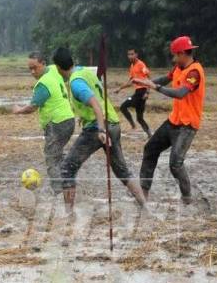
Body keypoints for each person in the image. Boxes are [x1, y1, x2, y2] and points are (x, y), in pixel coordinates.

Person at [52, 48, 146, 214]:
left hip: (98, 128)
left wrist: (101, 130)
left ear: (59, 68)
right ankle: (145, 207)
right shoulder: (84, 71)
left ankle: (67, 214)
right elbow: (97, 96)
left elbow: (95, 103)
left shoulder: (75, 82)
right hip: (114, 124)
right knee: (122, 170)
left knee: (67, 168)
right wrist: (84, 116)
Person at [132, 36, 205, 205]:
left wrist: (155, 87)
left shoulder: (194, 72)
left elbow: (180, 93)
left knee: (175, 164)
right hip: (173, 121)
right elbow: (166, 79)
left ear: (181, 54)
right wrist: (146, 82)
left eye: (174, 55)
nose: (173, 59)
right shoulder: (178, 67)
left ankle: (186, 197)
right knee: (150, 148)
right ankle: (143, 193)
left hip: (187, 126)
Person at [13, 51, 75, 195]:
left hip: (56, 123)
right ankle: (68, 176)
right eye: (30, 69)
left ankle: (60, 192)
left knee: (51, 158)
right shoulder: (54, 69)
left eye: (35, 67)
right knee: (58, 154)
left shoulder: (43, 84)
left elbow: (32, 107)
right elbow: (67, 74)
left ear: (43, 63)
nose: (33, 72)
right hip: (69, 120)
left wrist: (18, 110)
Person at [115, 48, 152, 137]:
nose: (130, 56)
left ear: (136, 55)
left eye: (132, 54)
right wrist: (120, 88)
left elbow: (148, 78)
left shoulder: (141, 64)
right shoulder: (132, 66)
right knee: (139, 118)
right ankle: (149, 134)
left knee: (123, 106)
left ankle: (133, 125)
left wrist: (147, 92)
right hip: (138, 92)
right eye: (129, 54)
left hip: (141, 93)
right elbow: (131, 81)